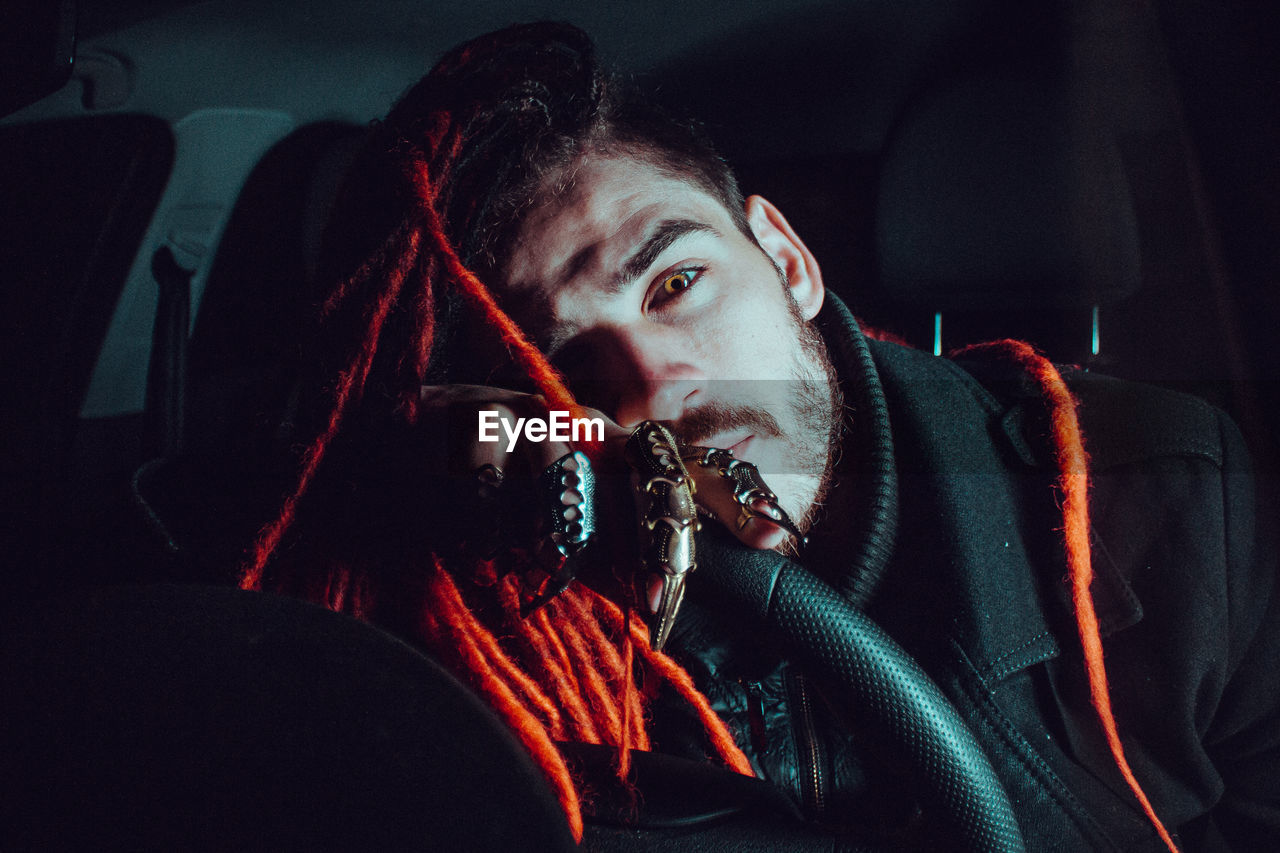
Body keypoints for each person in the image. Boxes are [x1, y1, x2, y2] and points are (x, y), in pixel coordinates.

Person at [238, 21, 1279, 851]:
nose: (650, 385)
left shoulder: (1176, 496)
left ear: (785, 258)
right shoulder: (463, 634)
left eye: (676, 283)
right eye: (556, 364)